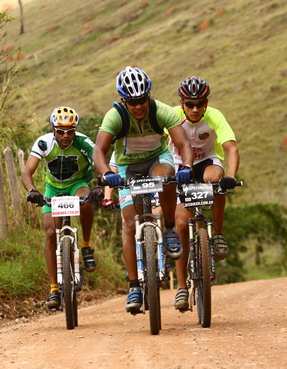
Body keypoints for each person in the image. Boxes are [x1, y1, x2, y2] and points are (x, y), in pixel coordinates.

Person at [93, 66, 194, 313]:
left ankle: (169, 228)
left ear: (148, 95)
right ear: (122, 100)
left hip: (157, 160)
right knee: (129, 223)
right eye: (132, 101)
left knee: (167, 177)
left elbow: (183, 143)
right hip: (128, 167)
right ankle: (134, 286)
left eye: (141, 100)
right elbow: (99, 151)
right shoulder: (114, 116)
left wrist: (187, 166)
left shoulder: (162, 111)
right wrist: (107, 173)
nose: (138, 106)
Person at [21, 106, 103, 310]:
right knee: (50, 232)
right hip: (52, 189)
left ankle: (85, 245)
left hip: (77, 184)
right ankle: (53, 289)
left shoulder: (83, 142)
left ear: (75, 130)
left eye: (70, 131)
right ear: (53, 129)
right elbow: (27, 171)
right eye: (60, 131)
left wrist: (101, 183)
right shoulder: (43, 143)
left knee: (86, 200)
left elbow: (100, 162)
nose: (66, 136)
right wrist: (32, 190)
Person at [169, 76, 240, 311]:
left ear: (206, 102)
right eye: (190, 104)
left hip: (207, 163)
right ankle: (180, 287)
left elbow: (231, 147)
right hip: (180, 168)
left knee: (216, 181)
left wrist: (230, 175)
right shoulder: (170, 118)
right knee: (180, 224)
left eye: (200, 103)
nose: (195, 109)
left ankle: (217, 234)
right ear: (181, 103)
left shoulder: (215, 116)